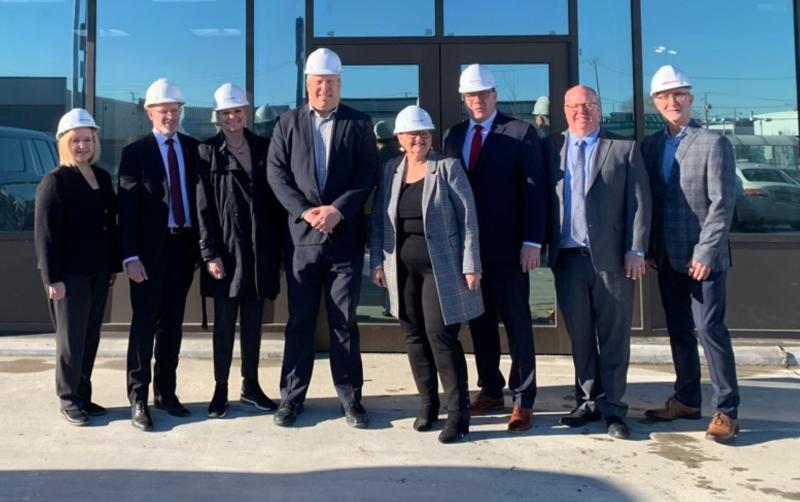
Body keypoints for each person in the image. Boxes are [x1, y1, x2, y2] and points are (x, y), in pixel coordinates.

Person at [267, 48, 378, 428]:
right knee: (299, 321)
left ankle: (351, 399)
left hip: (344, 240)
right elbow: (276, 174)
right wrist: (304, 210)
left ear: (339, 84)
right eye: (319, 83)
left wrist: (338, 210)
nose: (325, 89)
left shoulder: (358, 123)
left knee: (343, 322)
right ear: (308, 85)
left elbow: (367, 174)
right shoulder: (287, 123)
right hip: (301, 240)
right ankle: (291, 399)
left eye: (331, 83)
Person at [442, 64, 547, 433]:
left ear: (494, 95)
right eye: (471, 95)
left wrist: (533, 241)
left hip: (510, 248)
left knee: (517, 323)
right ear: (464, 98)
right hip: (468, 252)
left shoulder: (520, 133)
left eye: (483, 94)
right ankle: (490, 388)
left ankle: (523, 399)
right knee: (479, 321)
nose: (477, 101)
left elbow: (535, 190)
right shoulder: (453, 135)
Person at [370, 105, 482, 443]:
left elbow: (468, 217)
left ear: (430, 137)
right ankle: (428, 404)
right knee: (412, 334)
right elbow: (378, 220)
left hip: (441, 266)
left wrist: (471, 264)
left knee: (440, 335)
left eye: (424, 133)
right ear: (400, 139)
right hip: (402, 268)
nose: (418, 139)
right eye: (411, 134)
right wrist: (377, 262)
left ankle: (458, 413)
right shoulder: (390, 170)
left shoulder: (447, 168)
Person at [641, 65, 740, 443]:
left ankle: (726, 410)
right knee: (679, 330)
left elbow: (722, 204)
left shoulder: (713, 142)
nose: (672, 101)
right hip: (667, 257)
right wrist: (649, 247)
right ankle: (686, 399)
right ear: (655, 103)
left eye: (679, 94)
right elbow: (649, 201)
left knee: (709, 329)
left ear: (691, 98)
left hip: (705, 259)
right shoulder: (650, 145)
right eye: (665, 96)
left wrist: (706, 250)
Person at [546, 85, 651, 440]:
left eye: (589, 105)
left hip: (612, 260)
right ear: (564, 110)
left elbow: (639, 203)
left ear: (599, 108)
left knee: (614, 337)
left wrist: (636, 249)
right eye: (575, 106)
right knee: (579, 336)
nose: (582, 111)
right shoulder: (551, 148)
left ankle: (615, 409)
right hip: (568, 258)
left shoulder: (623, 148)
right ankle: (587, 401)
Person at [196, 83, 284, 419]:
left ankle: (251, 386)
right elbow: (203, 208)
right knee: (224, 324)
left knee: (252, 323)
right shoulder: (206, 153)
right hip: (226, 253)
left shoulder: (264, 147)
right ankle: (220, 389)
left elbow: (276, 203)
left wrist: (277, 253)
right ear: (218, 117)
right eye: (226, 113)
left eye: (237, 111)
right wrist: (210, 253)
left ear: (246, 113)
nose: (232, 118)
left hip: (259, 251)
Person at [118, 78, 200, 431]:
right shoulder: (134, 153)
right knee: (144, 324)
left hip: (182, 248)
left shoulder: (194, 149)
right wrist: (130, 256)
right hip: (148, 254)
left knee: (172, 325)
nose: (169, 116)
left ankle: (166, 392)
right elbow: (127, 209)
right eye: (163, 110)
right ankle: (138, 397)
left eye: (175, 110)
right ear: (149, 112)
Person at [34, 108, 120, 426]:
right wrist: (52, 279)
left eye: (88, 139)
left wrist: (112, 266)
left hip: (98, 272)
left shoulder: (101, 177)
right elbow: (45, 235)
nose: (83, 145)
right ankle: (68, 398)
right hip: (69, 276)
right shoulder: (55, 182)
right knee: (71, 340)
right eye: (76, 140)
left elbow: (109, 225)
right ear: (65, 143)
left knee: (90, 336)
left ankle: (83, 394)